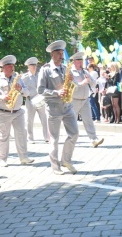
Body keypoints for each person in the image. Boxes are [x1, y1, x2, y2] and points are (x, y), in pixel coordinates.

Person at [37, 40, 79, 175]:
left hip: (67, 106)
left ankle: (66, 160)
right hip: (54, 108)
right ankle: (55, 167)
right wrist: (56, 92)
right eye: (59, 53)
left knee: (74, 133)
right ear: (52, 54)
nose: (62, 56)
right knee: (54, 139)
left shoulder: (65, 68)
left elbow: (73, 86)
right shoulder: (45, 69)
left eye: (62, 53)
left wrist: (72, 81)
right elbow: (40, 90)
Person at [0, 55, 35, 167]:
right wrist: (3, 97)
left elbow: (27, 93)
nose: (12, 68)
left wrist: (20, 89)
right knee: (3, 136)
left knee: (21, 134)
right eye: (9, 66)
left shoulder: (18, 78)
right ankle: (2, 159)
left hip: (18, 111)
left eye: (13, 66)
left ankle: (23, 157)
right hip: (3, 112)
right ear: (4, 68)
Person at [70, 52, 104, 148]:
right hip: (74, 100)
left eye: (81, 61)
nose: (81, 63)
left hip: (85, 99)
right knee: (72, 121)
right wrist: (83, 83)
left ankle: (94, 140)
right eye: (79, 61)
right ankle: (71, 140)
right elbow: (72, 86)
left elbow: (93, 84)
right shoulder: (70, 72)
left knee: (88, 120)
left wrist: (92, 80)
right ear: (74, 62)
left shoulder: (85, 72)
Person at [22, 57, 49, 144]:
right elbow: (21, 89)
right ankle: (30, 138)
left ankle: (47, 137)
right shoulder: (24, 77)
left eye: (35, 65)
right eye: (32, 65)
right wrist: (26, 94)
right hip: (30, 100)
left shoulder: (39, 75)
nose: (34, 67)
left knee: (44, 119)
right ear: (28, 67)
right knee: (29, 120)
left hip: (40, 100)